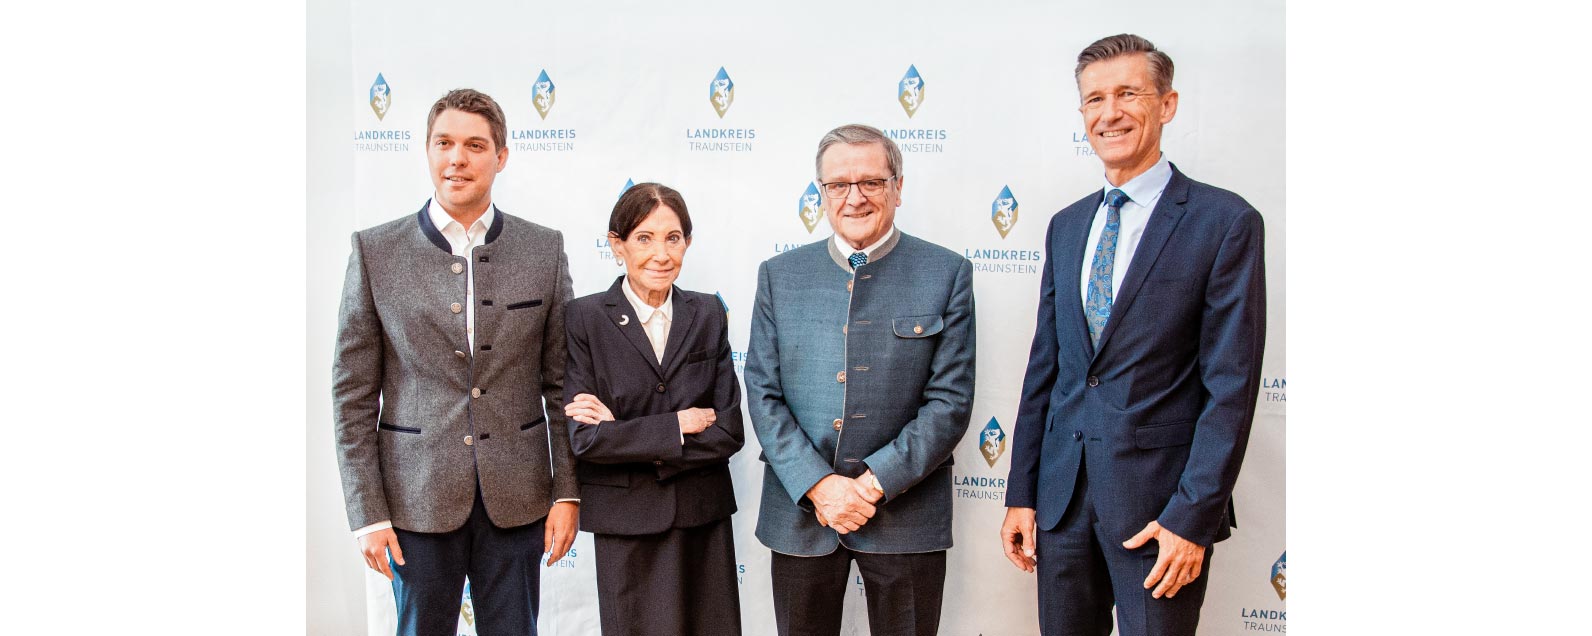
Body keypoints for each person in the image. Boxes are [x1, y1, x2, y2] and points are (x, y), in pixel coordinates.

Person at [999, 34, 1267, 636]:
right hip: (1061, 506)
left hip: (1159, 515)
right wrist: (1022, 492)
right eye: (1095, 99)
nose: (1109, 112)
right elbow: (1048, 368)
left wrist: (1192, 518)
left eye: (1127, 94)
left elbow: (1231, 386)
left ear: (1167, 105)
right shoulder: (1066, 227)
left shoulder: (1225, 222)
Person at [332, 88, 580, 636]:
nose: (457, 158)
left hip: (517, 498)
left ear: (502, 156)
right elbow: (351, 397)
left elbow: (561, 384)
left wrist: (567, 491)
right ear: (426, 150)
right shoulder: (375, 252)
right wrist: (367, 513)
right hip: (413, 499)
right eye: (444, 143)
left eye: (474, 145)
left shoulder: (544, 249)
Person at [745, 123, 976, 636]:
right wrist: (821, 486)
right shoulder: (779, 275)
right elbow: (763, 393)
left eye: (871, 182)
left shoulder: (947, 272)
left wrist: (872, 485)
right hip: (803, 514)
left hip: (906, 516)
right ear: (821, 192)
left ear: (897, 187)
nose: (855, 198)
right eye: (838, 185)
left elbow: (950, 402)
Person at [562, 183, 745, 636]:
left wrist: (624, 433)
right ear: (617, 245)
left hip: (702, 517)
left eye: (673, 237)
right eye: (644, 238)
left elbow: (729, 431)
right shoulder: (583, 318)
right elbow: (586, 439)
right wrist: (677, 425)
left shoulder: (707, 313)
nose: (661, 254)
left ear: (687, 242)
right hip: (627, 524)